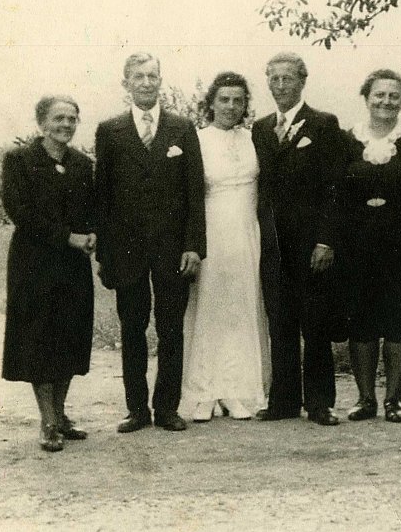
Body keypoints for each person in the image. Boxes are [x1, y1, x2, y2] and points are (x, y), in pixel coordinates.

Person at [95, 53, 206, 433]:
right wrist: (106, 254)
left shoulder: (181, 128)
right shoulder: (110, 130)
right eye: (138, 77)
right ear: (125, 82)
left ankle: (167, 408)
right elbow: (103, 196)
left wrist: (193, 246)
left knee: (171, 327)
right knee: (132, 327)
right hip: (126, 251)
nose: (146, 83)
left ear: (160, 81)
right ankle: (137, 410)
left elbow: (194, 192)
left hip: (172, 248)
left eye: (152, 76)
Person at [337, 69, 401, 423]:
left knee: (399, 321)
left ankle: (394, 400)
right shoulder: (347, 140)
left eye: (394, 95)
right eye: (379, 95)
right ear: (366, 98)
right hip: (357, 246)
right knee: (360, 321)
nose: (386, 101)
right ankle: (365, 400)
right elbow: (337, 192)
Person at [251, 52, 342, 426]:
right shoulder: (260, 127)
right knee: (280, 322)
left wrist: (326, 240)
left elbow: (334, 187)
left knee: (315, 323)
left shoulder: (323, 124)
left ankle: (319, 403)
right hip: (272, 244)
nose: (281, 86)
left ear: (302, 81)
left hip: (311, 244)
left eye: (288, 78)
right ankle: (284, 401)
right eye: (275, 79)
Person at [2, 95, 96, 452]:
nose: (66, 125)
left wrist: (91, 233)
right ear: (41, 122)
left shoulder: (82, 163)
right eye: (59, 118)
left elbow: (90, 208)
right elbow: (19, 211)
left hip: (72, 265)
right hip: (33, 263)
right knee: (39, 338)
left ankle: (60, 413)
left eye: (72, 118)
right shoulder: (20, 161)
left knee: (69, 336)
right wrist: (67, 237)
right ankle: (47, 420)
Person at [180, 72, 271, 422]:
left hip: (248, 232)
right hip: (211, 232)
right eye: (224, 99)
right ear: (211, 103)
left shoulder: (254, 139)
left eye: (238, 100)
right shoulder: (197, 140)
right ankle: (204, 392)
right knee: (209, 307)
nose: (231, 106)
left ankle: (237, 390)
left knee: (242, 307)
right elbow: (189, 195)